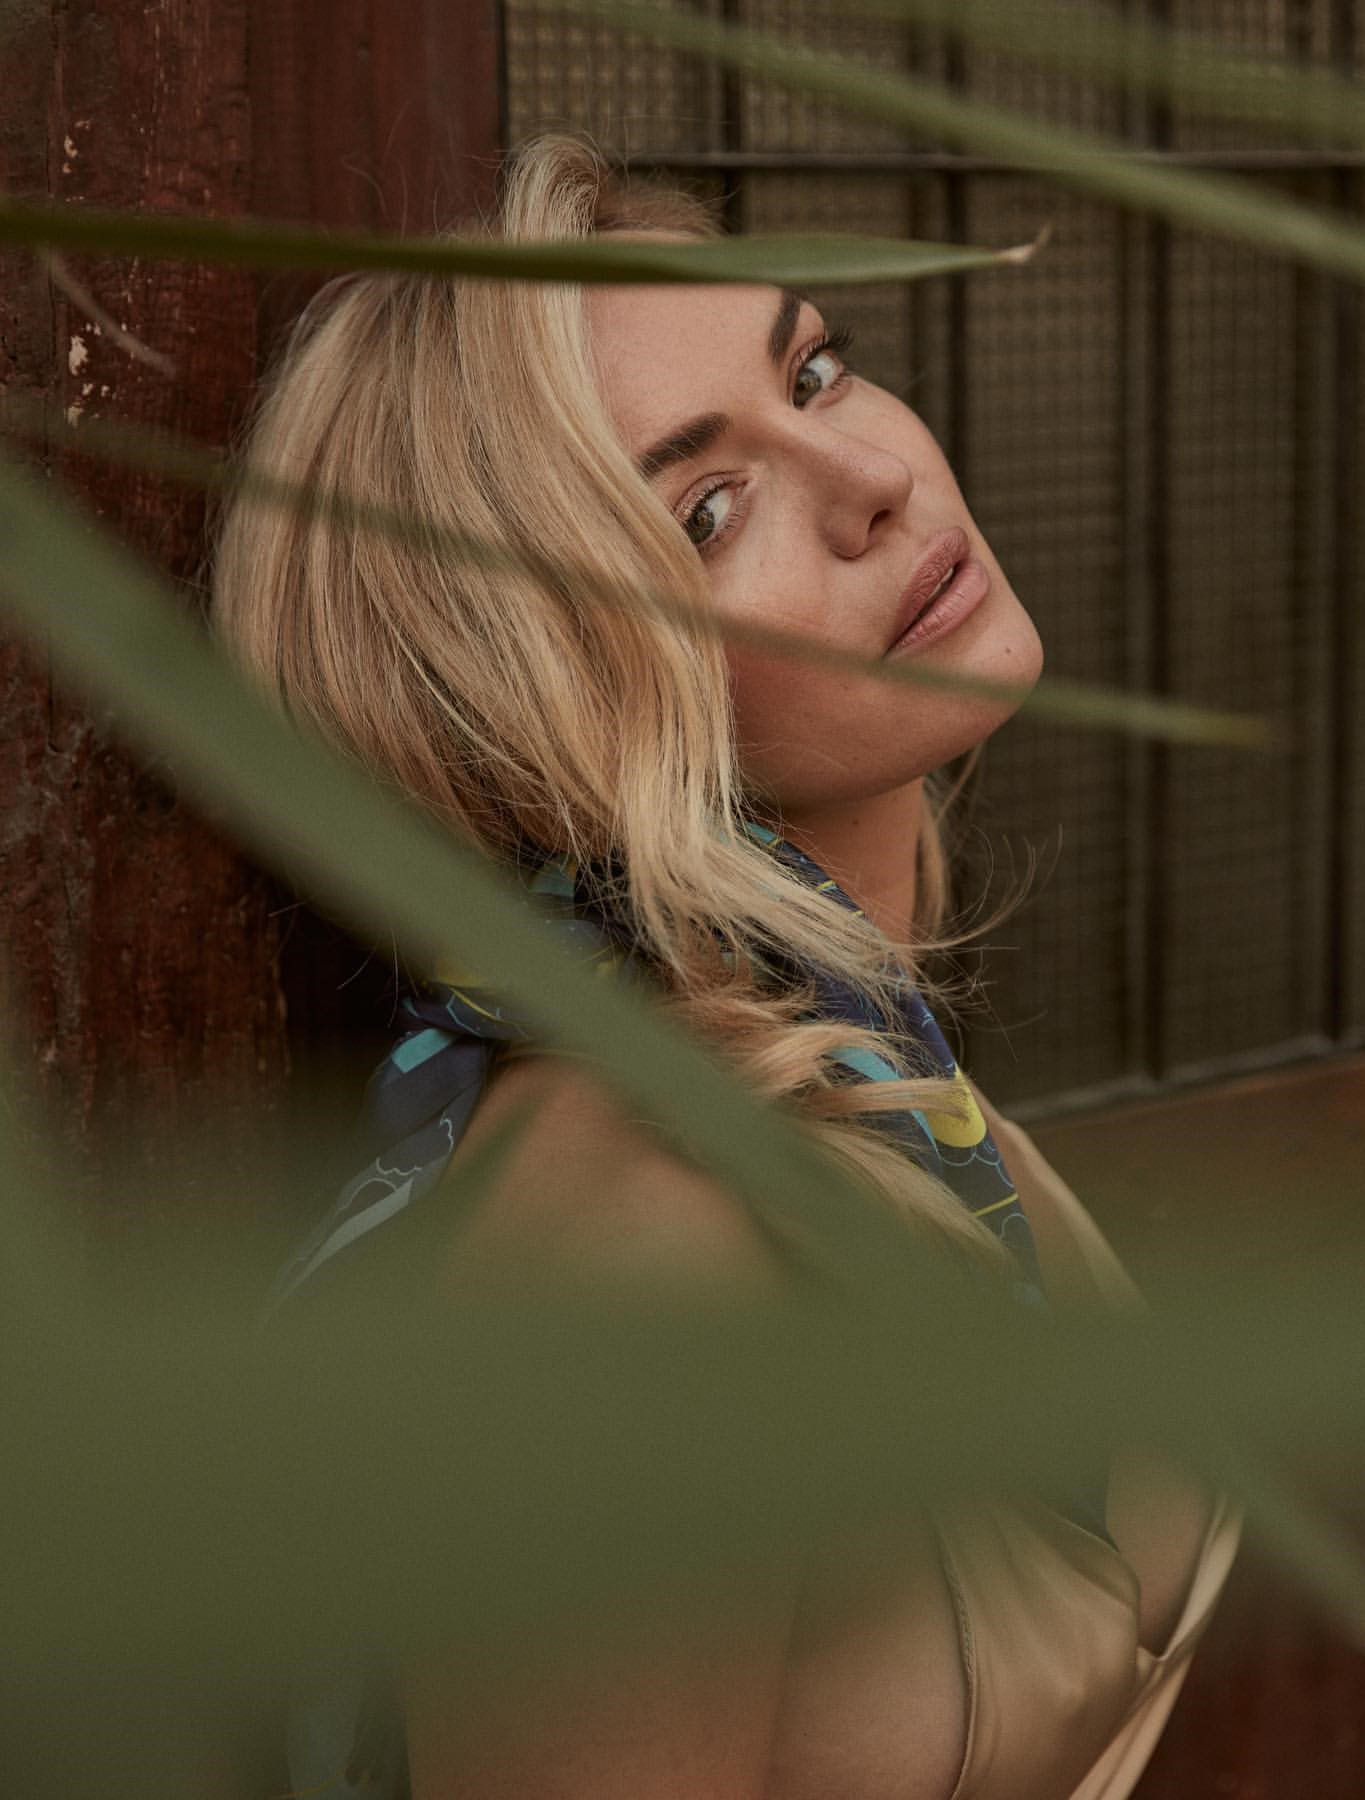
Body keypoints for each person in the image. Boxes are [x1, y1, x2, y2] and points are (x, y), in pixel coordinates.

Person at [212, 131, 1240, 1800]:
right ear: (535, 691)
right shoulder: (641, 1242)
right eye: (704, 509)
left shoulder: (856, 1067)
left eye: (813, 372)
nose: (871, 476)